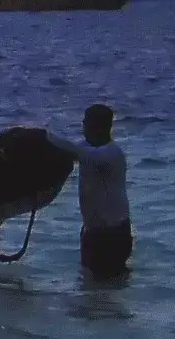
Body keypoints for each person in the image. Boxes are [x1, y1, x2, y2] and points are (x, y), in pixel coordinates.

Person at [47, 103, 132, 278]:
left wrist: (44, 136)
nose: (83, 126)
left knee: (108, 285)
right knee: (89, 286)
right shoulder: (86, 148)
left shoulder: (111, 154)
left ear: (99, 127)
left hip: (112, 234)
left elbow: (78, 153)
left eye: (87, 123)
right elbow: (70, 151)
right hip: (92, 231)